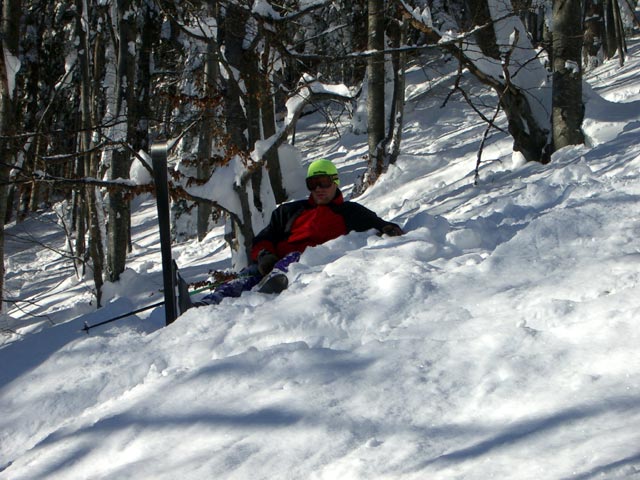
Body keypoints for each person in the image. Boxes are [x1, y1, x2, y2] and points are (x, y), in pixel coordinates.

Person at [193, 159, 404, 306]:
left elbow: (380, 224)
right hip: (273, 262)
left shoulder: (351, 212)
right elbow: (265, 238)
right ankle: (210, 302)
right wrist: (265, 255)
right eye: (313, 184)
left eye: (324, 182)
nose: (319, 188)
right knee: (247, 275)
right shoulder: (289, 211)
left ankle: (271, 284)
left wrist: (389, 229)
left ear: (335, 182)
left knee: (294, 258)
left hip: (305, 264)